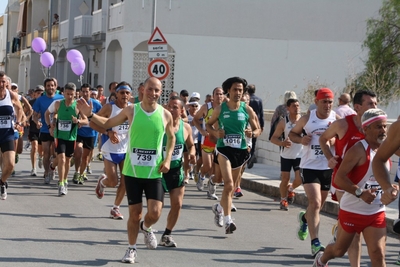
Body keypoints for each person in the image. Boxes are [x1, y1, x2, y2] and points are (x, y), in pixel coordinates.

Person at [76, 77, 175, 263]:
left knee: (155, 213)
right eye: (150, 89)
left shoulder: (165, 114)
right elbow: (107, 124)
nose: (153, 93)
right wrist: (90, 115)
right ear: (143, 90)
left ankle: (146, 227)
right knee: (134, 214)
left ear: (160, 93)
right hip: (132, 171)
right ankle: (131, 249)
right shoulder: (132, 110)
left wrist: (168, 158)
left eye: (157, 90)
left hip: (154, 172)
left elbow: (171, 138)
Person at [314, 109, 389, 267]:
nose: (383, 130)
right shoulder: (358, 149)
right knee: (338, 251)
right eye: (378, 127)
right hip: (352, 212)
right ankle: (321, 260)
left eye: (384, 126)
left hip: (375, 212)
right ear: (365, 129)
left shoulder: (386, 149)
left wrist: (392, 190)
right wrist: (360, 193)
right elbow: (339, 178)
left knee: (378, 254)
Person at [319, 89, 377, 266]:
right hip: (344, 183)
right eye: (370, 104)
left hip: (369, 185)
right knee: (355, 234)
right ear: (358, 107)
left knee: (347, 239)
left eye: (376, 103)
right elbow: (323, 139)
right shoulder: (343, 125)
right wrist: (329, 157)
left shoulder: (376, 127)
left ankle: (339, 235)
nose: (374, 106)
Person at [289, 88, 340, 257]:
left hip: (327, 168)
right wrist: (301, 139)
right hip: (309, 167)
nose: (327, 105)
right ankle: (315, 243)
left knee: (316, 207)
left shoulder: (337, 120)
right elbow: (292, 134)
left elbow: (345, 138)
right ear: (317, 102)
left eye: (330, 102)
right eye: (324, 101)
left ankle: (305, 219)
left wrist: (335, 139)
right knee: (316, 203)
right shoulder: (307, 118)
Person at [206, 77, 260, 234]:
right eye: (235, 89)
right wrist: (216, 132)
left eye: (241, 90)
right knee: (228, 184)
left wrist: (252, 132)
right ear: (228, 91)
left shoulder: (247, 109)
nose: (238, 93)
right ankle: (229, 221)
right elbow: (208, 125)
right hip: (224, 149)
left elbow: (258, 129)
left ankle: (219, 208)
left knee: (232, 187)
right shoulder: (221, 109)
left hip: (240, 150)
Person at [159, 96, 196, 247]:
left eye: (175, 107)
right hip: (159, 171)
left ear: (182, 111)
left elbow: (191, 145)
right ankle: (146, 227)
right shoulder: (159, 125)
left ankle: (167, 235)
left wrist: (192, 153)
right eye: (169, 106)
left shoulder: (185, 128)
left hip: (176, 170)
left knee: (177, 204)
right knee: (156, 208)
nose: (171, 110)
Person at [92, 82, 132, 219]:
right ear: (116, 94)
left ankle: (115, 208)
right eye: (122, 93)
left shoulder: (133, 109)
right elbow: (93, 123)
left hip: (125, 150)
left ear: (130, 95)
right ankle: (102, 182)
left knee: (125, 181)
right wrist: (108, 132)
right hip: (109, 149)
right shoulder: (109, 108)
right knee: (113, 181)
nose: (125, 96)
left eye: (127, 93)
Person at [45, 82, 88, 196]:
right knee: (62, 159)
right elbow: (46, 114)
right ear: (63, 93)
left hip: (71, 137)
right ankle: (61, 183)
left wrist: (78, 121)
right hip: (59, 136)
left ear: (75, 94)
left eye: (72, 94)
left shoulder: (78, 106)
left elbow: (86, 120)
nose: (69, 97)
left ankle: (54, 168)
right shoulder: (58, 103)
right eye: (67, 94)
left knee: (67, 160)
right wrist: (50, 126)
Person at [270, 98, 303, 210]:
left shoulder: (304, 121)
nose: (296, 108)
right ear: (288, 108)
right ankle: (283, 199)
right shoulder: (284, 122)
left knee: (300, 178)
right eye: (294, 106)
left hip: (300, 154)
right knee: (285, 179)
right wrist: (283, 143)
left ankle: (291, 189)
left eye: (298, 105)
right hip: (287, 155)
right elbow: (273, 138)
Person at [32, 77, 64, 184]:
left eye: (52, 85)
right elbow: (34, 116)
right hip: (45, 130)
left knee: (55, 153)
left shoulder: (61, 98)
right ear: (45, 87)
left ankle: (52, 168)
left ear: (56, 86)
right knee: (46, 152)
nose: (50, 87)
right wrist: (37, 122)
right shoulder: (40, 100)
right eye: (48, 85)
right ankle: (46, 172)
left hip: (58, 130)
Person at [193, 87, 224, 191]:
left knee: (216, 168)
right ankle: (201, 176)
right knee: (207, 165)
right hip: (207, 139)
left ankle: (211, 188)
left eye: (221, 94)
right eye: (217, 94)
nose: (219, 96)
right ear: (213, 96)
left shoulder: (226, 107)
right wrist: (201, 131)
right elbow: (195, 119)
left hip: (220, 140)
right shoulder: (206, 107)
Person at [0, 71, 24, 200]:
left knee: (10, 164)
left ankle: (2, 182)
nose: (1, 84)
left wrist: (18, 122)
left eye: (3, 81)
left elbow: (19, 108)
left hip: (7, 133)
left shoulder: (11, 95)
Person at [72, 84, 102, 184]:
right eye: (83, 91)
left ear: (90, 92)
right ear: (80, 92)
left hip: (91, 133)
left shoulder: (96, 104)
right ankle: (76, 172)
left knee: (85, 157)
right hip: (79, 133)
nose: (85, 93)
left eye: (87, 91)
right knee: (78, 152)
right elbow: (72, 115)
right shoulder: (77, 103)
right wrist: (78, 121)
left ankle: (81, 174)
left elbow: (102, 116)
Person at [27, 85, 45, 176]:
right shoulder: (31, 102)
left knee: (42, 151)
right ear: (34, 94)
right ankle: (33, 168)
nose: (40, 94)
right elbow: (26, 112)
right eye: (38, 93)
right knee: (34, 147)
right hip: (34, 129)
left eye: (41, 93)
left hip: (44, 129)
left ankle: (41, 157)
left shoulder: (47, 102)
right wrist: (26, 120)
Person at [247, 84, 264, 169]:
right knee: (253, 142)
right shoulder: (259, 100)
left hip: (247, 122)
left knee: (247, 141)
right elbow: (261, 114)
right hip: (256, 123)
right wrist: (262, 126)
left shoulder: (246, 99)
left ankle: (248, 157)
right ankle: (251, 156)